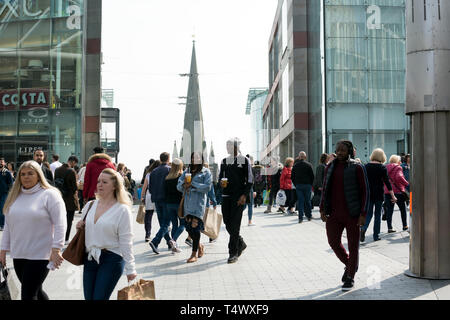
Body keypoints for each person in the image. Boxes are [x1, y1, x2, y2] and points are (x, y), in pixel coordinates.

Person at [0, 161, 66, 300]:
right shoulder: (14, 196)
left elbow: (60, 223)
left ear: (39, 175)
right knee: (36, 291)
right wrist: (3, 250)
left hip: (41, 254)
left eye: (30, 173)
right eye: (22, 174)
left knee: (28, 294)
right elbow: (8, 226)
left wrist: (56, 249)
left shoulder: (50, 195)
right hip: (19, 254)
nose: (26, 177)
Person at [76, 168, 137, 300]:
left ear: (115, 186)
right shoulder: (90, 205)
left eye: (104, 182)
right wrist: (79, 226)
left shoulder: (122, 210)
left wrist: (130, 269)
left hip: (112, 259)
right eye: (98, 181)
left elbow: (126, 241)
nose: (99, 185)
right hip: (90, 257)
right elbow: (86, 232)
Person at [320, 140, 369, 291]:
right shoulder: (330, 167)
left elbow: (365, 191)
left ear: (349, 151)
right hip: (334, 213)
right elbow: (325, 189)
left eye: (343, 150)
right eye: (337, 150)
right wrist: (322, 209)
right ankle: (350, 266)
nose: (340, 152)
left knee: (353, 246)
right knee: (333, 242)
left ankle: (350, 277)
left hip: (353, 214)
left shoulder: (357, 167)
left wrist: (363, 214)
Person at [218, 138, 253, 264]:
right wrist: (221, 183)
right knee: (227, 223)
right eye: (226, 145)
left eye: (230, 145)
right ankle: (241, 242)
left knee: (235, 224)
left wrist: (244, 195)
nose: (227, 148)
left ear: (236, 147)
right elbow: (220, 178)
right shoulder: (224, 161)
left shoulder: (244, 160)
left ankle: (233, 252)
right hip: (226, 197)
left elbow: (249, 180)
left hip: (239, 198)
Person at [177, 152, 212, 263]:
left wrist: (193, 184)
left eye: (197, 157)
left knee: (195, 228)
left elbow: (207, 187)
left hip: (198, 204)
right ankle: (199, 246)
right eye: (193, 157)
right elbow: (178, 186)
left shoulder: (206, 172)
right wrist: (184, 185)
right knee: (188, 228)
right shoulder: (187, 171)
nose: (195, 159)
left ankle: (194, 254)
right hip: (187, 204)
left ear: (201, 159)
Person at [360, 149, 396, 242]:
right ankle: (376, 236)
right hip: (379, 194)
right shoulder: (382, 167)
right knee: (377, 215)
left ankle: (363, 229)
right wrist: (393, 196)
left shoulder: (366, 166)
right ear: (382, 156)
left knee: (369, 214)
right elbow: (387, 183)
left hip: (369, 194)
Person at [148, 152, 173, 254]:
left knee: (163, 223)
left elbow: (150, 188)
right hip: (166, 199)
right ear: (168, 159)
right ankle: (155, 241)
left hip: (156, 199)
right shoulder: (169, 170)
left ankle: (169, 242)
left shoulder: (153, 171)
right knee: (166, 223)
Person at [54, 156, 80, 243]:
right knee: (69, 220)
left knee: (59, 219)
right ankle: (66, 238)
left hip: (59, 197)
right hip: (69, 199)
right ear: (72, 162)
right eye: (75, 163)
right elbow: (74, 187)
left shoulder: (57, 170)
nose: (74, 165)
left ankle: (58, 237)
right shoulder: (71, 171)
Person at [162, 158, 184, 253]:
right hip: (179, 204)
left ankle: (174, 247)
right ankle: (173, 240)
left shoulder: (167, 177)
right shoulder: (180, 176)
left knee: (174, 224)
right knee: (183, 224)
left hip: (169, 204)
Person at [384, 155, 409, 232]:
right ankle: (404, 225)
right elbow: (399, 177)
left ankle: (390, 227)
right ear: (397, 161)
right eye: (400, 160)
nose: (400, 162)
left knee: (389, 210)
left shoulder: (385, 167)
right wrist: (407, 184)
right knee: (402, 209)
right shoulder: (398, 167)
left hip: (388, 191)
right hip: (398, 191)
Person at [291, 151, 315, 223]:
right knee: (308, 201)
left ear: (299, 157)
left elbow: (292, 177)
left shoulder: (295, 166)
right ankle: (309, 216)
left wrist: (296, 184)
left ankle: (300, 218)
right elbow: (312, 176)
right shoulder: (309, 165)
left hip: (299, 185)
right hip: (307, 185)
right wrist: (310, 184)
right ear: (305, 157)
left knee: (300, 201)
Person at [140, 160, 160, 242]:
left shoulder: (148, 174)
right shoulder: (161, 173)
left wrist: (142, 197)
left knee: (148, 216)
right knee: (161, 216)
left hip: (149, 195)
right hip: (159, 195)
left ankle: (147, 234)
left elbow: (144, 187)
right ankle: (163, 234)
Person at [0, 158, 14, 231]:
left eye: (2, 162)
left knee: (2, 209)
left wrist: (9, 193)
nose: (0, 163)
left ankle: (2, 225)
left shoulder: (7, 172)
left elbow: (11, 184)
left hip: (4, 194)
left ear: (4, 163)